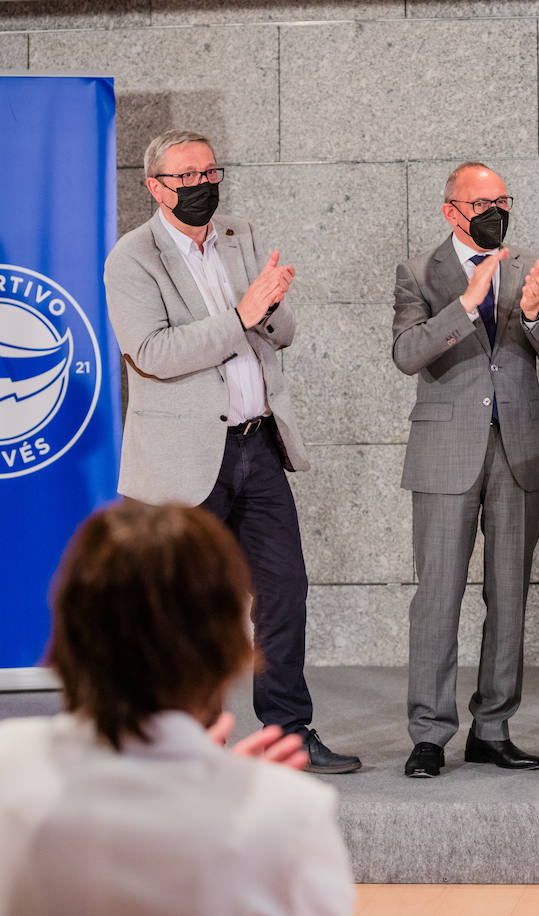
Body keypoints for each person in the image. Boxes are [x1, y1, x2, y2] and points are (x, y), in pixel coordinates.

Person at [103, 129, 359, 774]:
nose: (199, 186)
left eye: (208, 173)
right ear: (153, 186)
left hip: (255, 443)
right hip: (180, 461)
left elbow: (284, 332)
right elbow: (153, 355)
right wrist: (243, 314)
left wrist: (269, 305)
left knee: (284, 590)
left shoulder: (239, 236)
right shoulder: (131, 258)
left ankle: (287, 733)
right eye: (183, 177)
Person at [0, 501, 355, 916]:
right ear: (227, 651)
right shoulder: (288, 815)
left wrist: (207, 784)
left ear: (68, 627)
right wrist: (233, 799)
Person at [392, 162, 539, 778]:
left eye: (503, 200)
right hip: (446, 452)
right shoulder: (420, 272)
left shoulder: (530, 267)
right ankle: (429, 733)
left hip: (518, 450)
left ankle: (492, 728)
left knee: (509, 596)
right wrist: (467, 305)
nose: (496, 211)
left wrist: (532, 314)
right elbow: (406, 353)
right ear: (451, 210)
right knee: (438, 597)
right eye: (482, 203)